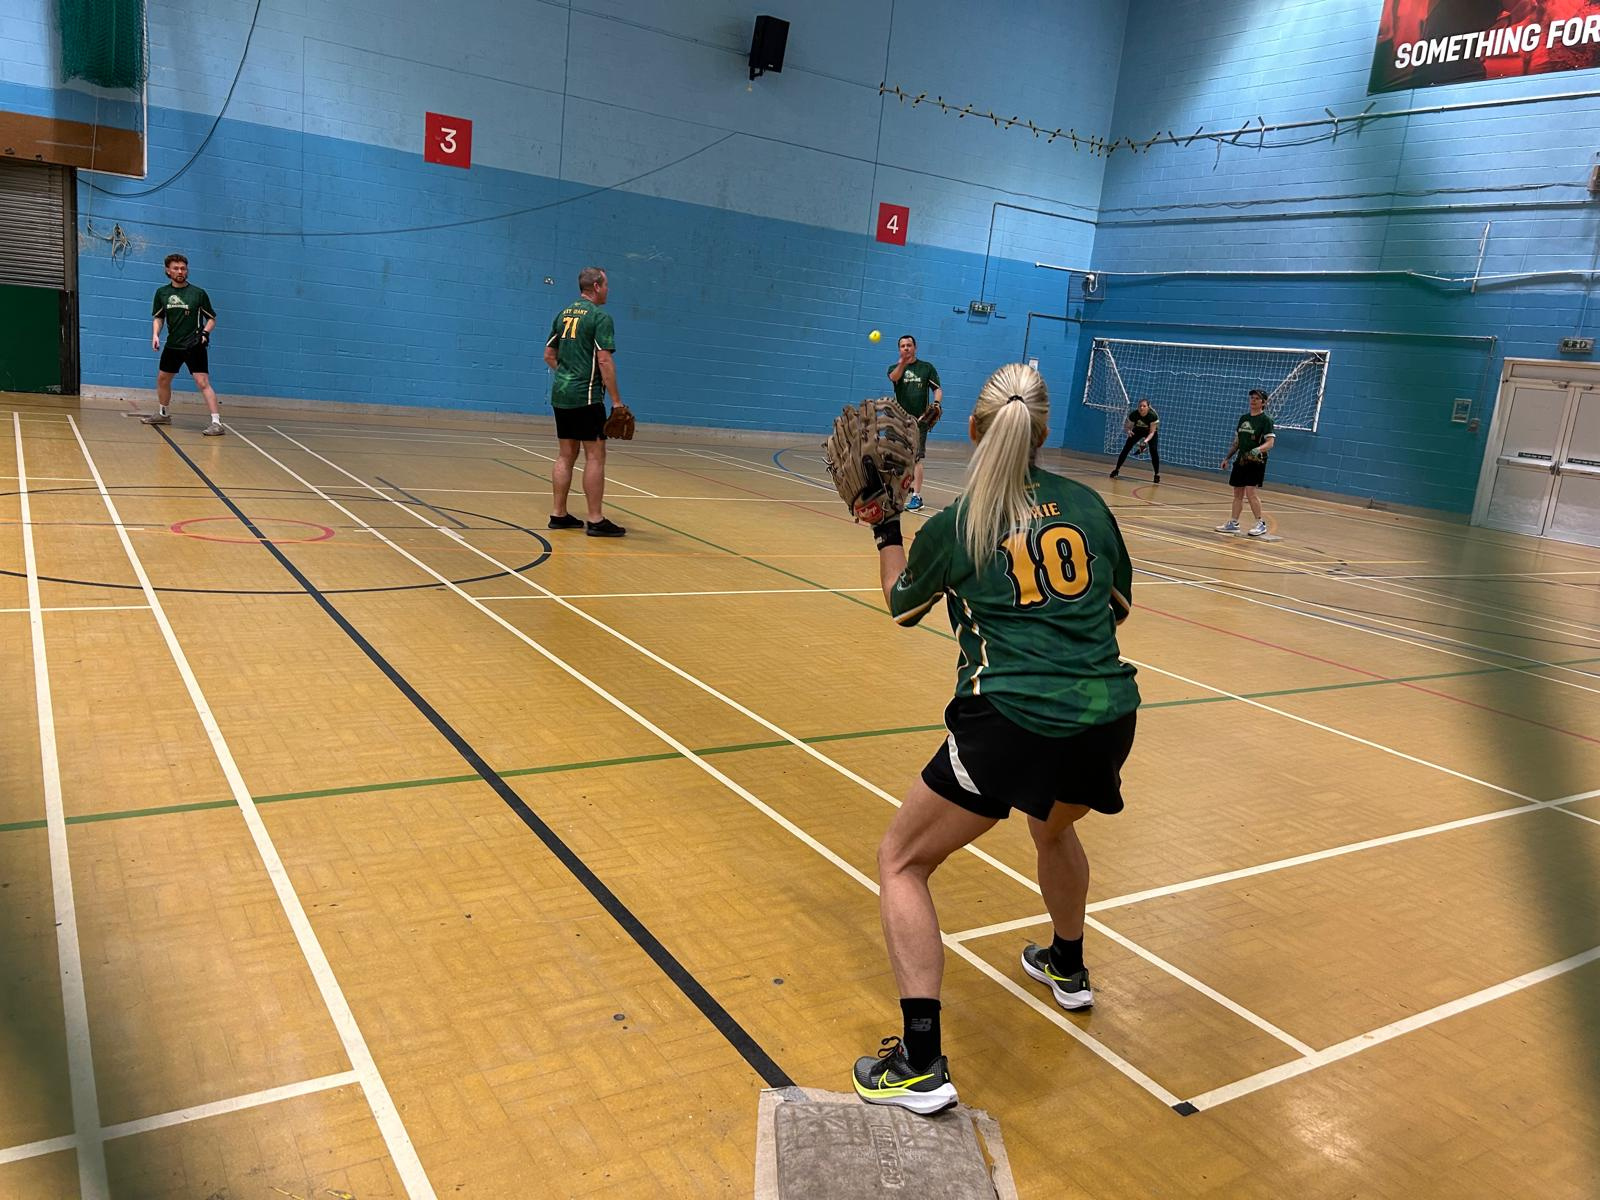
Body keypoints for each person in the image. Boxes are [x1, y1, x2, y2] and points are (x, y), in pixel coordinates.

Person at [850, 362, 1140, 1115]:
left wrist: (885, 525)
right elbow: (1115, 606)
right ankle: (1066, 966)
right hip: (1107, 717)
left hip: (1011, 722)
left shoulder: (962, 522)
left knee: (901, 861)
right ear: (1043, 433)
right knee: (1053, 828)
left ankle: (919, 1063)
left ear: (974, 430)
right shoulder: (1088, 504)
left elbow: (900, 605)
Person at [544, 267, 627, 537]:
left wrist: (567, 375)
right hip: (587, 397)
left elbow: (549, 355)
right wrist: (616, 401)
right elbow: (604, 360)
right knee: (595, 455)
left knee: (566, 454)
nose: (608, 290)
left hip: (561, 394)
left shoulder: (563, 314)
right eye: (607, 285)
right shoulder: (600, 317)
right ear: (597, 286)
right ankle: (595, 519)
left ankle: (559, 514)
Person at [142, 253, 223, 435]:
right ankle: (163, 414)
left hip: (194, 345)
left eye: (183, 268)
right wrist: (155, 335)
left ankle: (216, 422)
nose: (180, 271)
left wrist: (205, 333)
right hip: (173, 345)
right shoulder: (162, 293)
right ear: (168, 271)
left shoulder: (198, 293)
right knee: (163, 379)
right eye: (176, 268)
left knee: (202, 382)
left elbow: (212, 319)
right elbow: (159, 317)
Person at [887, 335, 942, 511]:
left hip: (919, 421)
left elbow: (937, 389)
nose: (906, 348)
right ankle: (896, 492)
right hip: (899, 420)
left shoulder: (926, 368)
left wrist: (936, 403)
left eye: (909, 345)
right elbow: (894, 377)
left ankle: (917, 497)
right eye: (902, 346)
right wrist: (902, 363)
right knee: (896, 457)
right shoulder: (894, 368)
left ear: (915, 347)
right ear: (899, 349)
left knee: (916, 458)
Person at [1217, 388, 1277, 537]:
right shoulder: (1244, 418)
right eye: (1252, 398)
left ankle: (1260, 523)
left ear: (1263, 402)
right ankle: (1233, 523)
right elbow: (1237, 442)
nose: (1253, 401)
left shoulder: (1266, 420)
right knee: (1237, 492)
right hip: (1241, 460)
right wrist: (1227, 458)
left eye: (1257, 398)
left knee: (1251, 492)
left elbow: (1270, 443)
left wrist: (1257, 450)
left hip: (1256, 461)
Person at [1109, 397, 1160, 482]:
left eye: (1144, 406)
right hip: (1138, 430)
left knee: (1153, 450)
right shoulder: (1134, 414)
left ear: (1148, 407)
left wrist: (1145, 442)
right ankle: (1116, 470)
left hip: (1150, 432)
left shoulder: (1152, 416)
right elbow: (1127, 426)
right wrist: (1128, 431)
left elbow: (1152, 432)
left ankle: (1157, 474)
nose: (1141, 408)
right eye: (1140, 406)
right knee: (1126, 448)